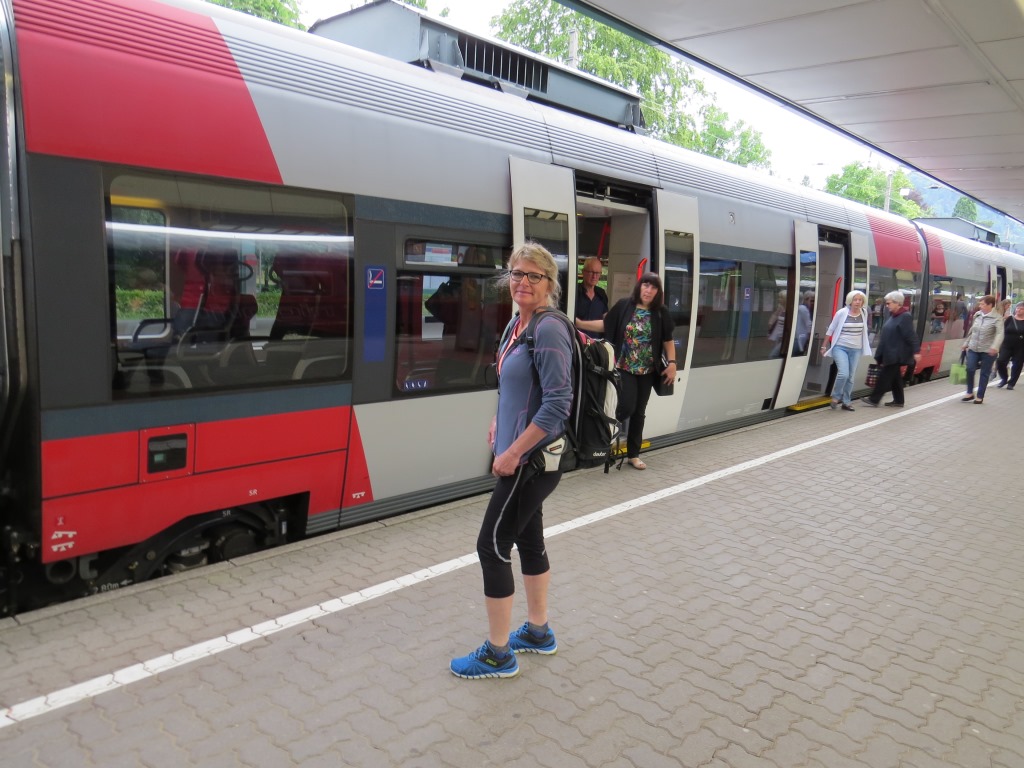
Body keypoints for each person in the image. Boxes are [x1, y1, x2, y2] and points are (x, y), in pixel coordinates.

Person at [450, 242, 573, 680]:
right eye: (516, 274)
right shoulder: (514, 325)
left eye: (533, 276)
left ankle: (498, 654)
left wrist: (514, 450)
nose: (522, 282)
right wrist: (496, 423)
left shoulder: (549, 329)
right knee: (529, 540)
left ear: (549, 284)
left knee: (492, 545)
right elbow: (514, 387)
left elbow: (558, 403)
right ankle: (538, 632)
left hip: (532, 462)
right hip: (519, 452)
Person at [602, 272, 675, 470]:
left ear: (658, 292)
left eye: (653, 287)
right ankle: (602, 438)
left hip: (648, 371)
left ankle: (633, 455)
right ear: (639, 287)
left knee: (639, 413)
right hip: (625, 366)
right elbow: (606, 324)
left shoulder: (661, 312)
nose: (648, 290)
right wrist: (579, 323)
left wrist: (672, 363)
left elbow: (668, 341)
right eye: (645, 285)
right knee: (626, 407)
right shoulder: (625, 305)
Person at [861, 290, 921, 408]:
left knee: (885, 376)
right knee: (895, 378)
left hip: (896, 353)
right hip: (890, 352)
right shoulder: (894, 316)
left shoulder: (905, 317)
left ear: (897, 303)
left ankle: (874, 399)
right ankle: (899, 401)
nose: (886, 306)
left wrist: (916, 351)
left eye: (888, 303)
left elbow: (911, 335)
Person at [821, 289, 872, 411]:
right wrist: (824, 346)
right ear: (850, 301)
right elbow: (831, 329)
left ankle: (846, 402)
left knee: (850, 377)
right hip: (841, 347)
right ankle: (836, 396)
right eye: (855, 300)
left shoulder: (864, 313)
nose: (858, 302)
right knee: (843, 373)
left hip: (856, 349)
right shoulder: (842, 313)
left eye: (860, 300)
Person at [959, 294, 1004, 404]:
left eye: (982, 304)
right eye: (980, 304)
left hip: (988, 351)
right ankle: (969, 393)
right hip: (973, 348)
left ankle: (980, 396)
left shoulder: (997, 318)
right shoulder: (977, 315)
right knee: (969, 369)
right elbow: (972, 331)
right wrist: (966, 343)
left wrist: (995, 347)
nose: (980, 306)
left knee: (984, 373)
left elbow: (999, 334)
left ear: (990, 305)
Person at [573, 256, 609, 339]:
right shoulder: (574, 292)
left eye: (597, 273)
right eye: (591, 272)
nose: (594, 276)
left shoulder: (601, 294)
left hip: (596, 343)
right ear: (583, 272)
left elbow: (606, 321)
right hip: (577, 342)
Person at [996, 301, 1024, 390]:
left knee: (1017, 365)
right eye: (1017, 308)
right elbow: (1002, 331)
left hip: (1020, 347)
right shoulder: (1009, 319)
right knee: (1000, 361)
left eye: (1021, 309)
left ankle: (1011, 383)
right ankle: (1004, 378)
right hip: (1006, 345)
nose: (1018, 310)